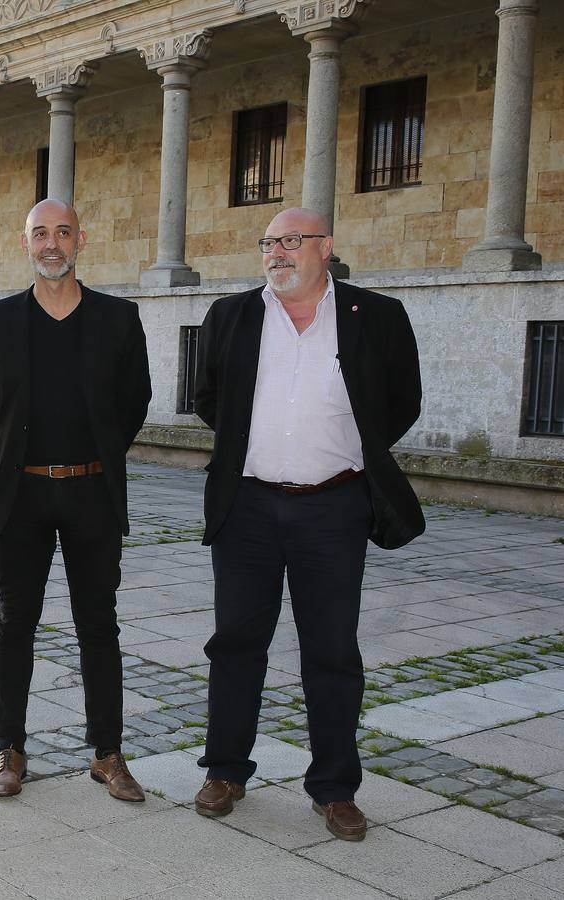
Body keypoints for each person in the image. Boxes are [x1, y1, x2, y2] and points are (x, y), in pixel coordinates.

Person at [192, 207, 423, 841]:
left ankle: (335, 788)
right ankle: (225, 771)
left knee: (332, 650)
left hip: (333, 507)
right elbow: (210, 398)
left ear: (326, 246)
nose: (278, 253)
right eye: (269, 243)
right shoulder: (231, 316)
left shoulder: (375, 316)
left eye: (292, 241)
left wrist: (343, 451)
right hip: (248, 508)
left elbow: (400, 402)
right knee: (236, 644)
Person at [0, 199, 151, 801]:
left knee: (98, 625)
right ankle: (10, 750)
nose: (52, 244)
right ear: (26, 244)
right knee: (15, 623)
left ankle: (107, 753)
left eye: (63, 233)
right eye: (40, 234)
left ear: (81, 241)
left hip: (91, 490)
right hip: (21, 494)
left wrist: (92, 458)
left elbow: (132, 404)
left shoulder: (119, 320)